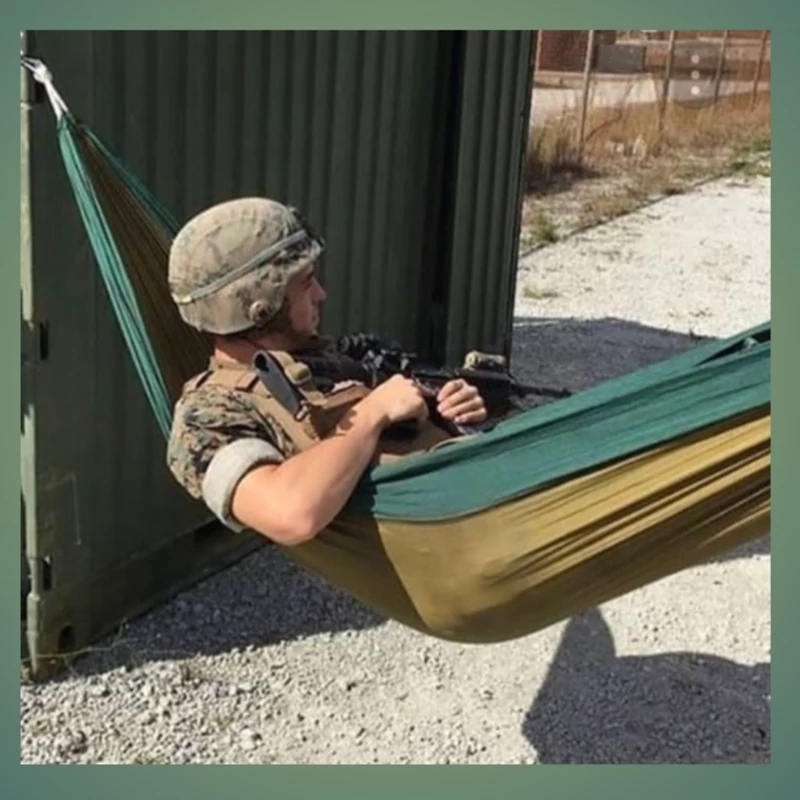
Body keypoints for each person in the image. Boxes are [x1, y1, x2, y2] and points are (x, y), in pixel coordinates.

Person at [166, 197, 488, 548]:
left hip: (483, 507)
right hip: (451, 542)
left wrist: (446, 408)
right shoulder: (207, 417)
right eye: (307, 282)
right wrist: (372, 413)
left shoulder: (337, 357)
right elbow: (290, 515)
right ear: (262, 305)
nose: (321, 294)